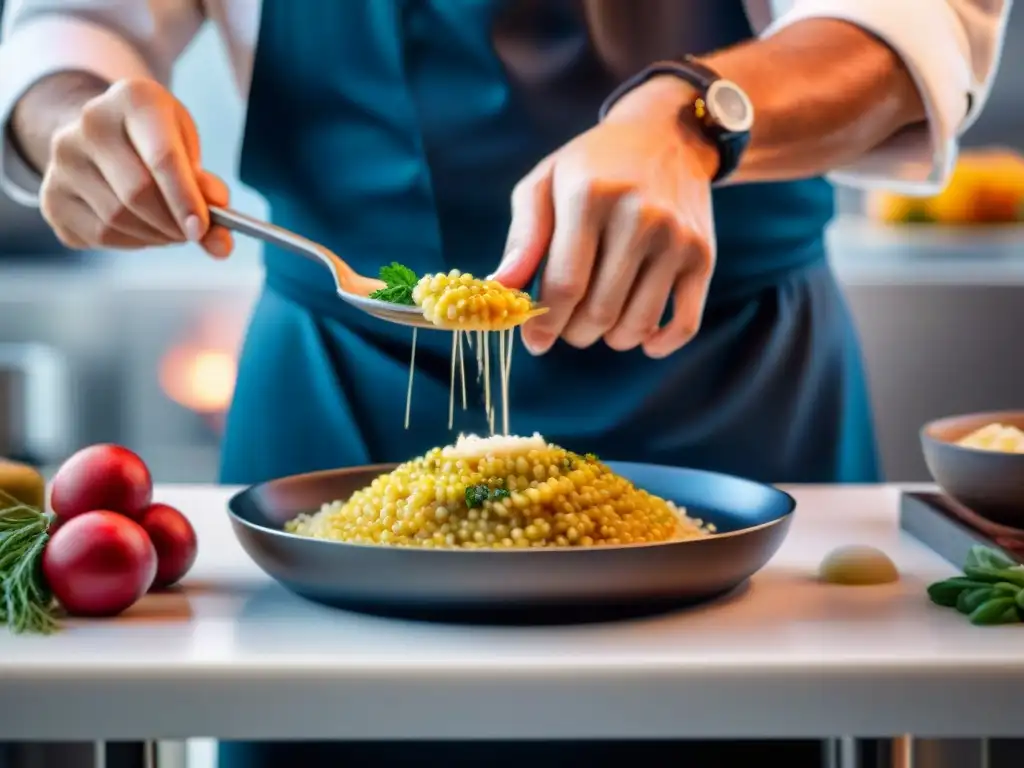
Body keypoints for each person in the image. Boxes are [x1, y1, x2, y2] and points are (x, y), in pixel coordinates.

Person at [0, 1, 1011, 766]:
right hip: (338, 402)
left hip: (728, 389)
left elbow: (906, 29)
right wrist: (77, 122)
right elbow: (72, 27)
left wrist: (693, 118)